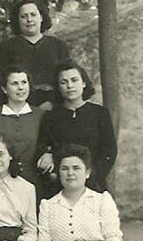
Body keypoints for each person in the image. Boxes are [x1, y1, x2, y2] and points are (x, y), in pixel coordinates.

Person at [35, 60, 117, 196]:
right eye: (64, 82)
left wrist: (90, 176)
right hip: (60, 185)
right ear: (58, 87)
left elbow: (109, 150)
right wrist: (47, 153)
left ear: (83, 83)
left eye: (74, 80)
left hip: (92, 183)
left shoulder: (99, 114)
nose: (70, 86)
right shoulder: (51, 116)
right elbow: (42, 145)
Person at [0, 0, 71, 109]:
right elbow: (2, 82)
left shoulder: (59, 46)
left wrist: (52, 103)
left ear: (41, 17)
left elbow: (66, 78)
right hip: (19, 108)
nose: (29, 20)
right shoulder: (5, 48)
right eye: (23, 16)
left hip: (55, 107)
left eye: (33, 15)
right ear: (17, 20)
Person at [0, 64, 46, 190]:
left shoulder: (41, 115)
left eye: (24, 82)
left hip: (34, 182)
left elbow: (47, 145)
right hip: (0, 183)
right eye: (14, 83)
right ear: (4, 89)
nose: (20, 87)